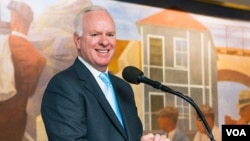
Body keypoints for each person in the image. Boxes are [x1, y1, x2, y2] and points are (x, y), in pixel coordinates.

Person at [41, 5, 169, 141]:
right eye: (95, 34)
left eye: (110, 34)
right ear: (77, 40)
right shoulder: (63, 87)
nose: (104, 42)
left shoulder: (123, 88)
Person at [0, 1, 46, 141]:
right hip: (17, 125)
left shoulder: (3, 43)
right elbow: (31, 92)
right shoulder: (39, 59)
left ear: (15, 17)